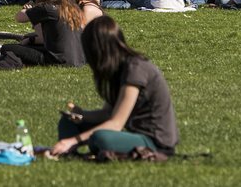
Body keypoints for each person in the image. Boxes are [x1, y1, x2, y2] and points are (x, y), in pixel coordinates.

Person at [50, 16, 179, 158]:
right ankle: (68, 154)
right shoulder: (118, 69)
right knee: (68, 122)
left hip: (154, 142)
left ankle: (70, 148)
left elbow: (116, 123)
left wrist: (73, 141)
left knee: (100, 138)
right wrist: (83, 116)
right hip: (133, 134)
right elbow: (108, 114)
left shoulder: (135, 68)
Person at [0, 0, 86, 68]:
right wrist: (31, 38)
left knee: (7, 48)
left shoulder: (47, 8)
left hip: (58, 60)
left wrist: (30, 8)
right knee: (29, 44)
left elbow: (19, 17)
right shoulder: (73, 9)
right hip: (79, 59)